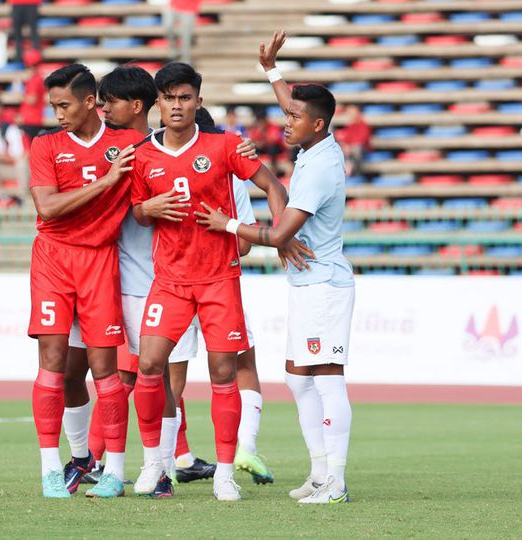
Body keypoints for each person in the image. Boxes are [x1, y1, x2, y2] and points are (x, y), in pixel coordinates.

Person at [195, 30, 354, 504]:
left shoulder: (322, 167)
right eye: (287, 114)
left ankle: (337, 482)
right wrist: (272, 69)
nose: (286, 122)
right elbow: (296, 103)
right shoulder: (315, 144)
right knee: (297, 377)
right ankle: (319, 471)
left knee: (326, 378)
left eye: (295, 118)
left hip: (324, 284)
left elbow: (281, 235)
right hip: (307, 283)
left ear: (319, 124)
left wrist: (228, 225)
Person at [128, 62, 288, 502]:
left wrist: (281, 234)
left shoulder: (226, 146)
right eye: (169, 98)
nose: (176, 106)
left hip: (219, 279)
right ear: (157, 103)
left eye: (185, 98)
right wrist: (149, 210)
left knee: (222, 372)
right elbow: (138, 211)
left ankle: (223, 474)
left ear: (198, 101)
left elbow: (274, 187)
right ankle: (153, 465)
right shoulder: (143, 154)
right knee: (148, 366)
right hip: (170, 280)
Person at [27, 63, 142, 499]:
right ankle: (50, 468)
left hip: (100, 260)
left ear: (90, 101)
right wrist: (109, 181)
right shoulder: (46, 146)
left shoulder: (128, 143)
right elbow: (49, 207)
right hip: (54, 258)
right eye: (53, 105)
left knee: (105, 370)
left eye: (64, 104)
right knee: (52, 362)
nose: (58, 113)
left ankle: (113, 470)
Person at [165, 106, 275, 487]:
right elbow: (243, 247)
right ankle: (244, 447)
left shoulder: (161, 166)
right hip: (218, 284)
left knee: (169, 375)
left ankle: (171, 458)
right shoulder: (232, 180)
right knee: (241, 367)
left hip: (172, 281)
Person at [335, 104, 370, 177]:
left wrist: (350, 147)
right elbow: (343, 138)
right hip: (347, 149)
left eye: (352, 113)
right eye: (349, 114)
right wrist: (344, 145)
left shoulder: (363, 125)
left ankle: (355, 172)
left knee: (357, 150)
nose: (351, 116)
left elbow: (362, 139)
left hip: (359, 150)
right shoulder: (348, 126)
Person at [167, 0, 200, 64]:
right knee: (168, 27)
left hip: (189, 8)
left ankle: (186, 60)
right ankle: (174, 51)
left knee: (186, 35)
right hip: (173, 6)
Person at [10, 0, 40, 65]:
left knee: (33, 32)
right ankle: (19, 60)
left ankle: (35, 59)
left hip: (31, 3)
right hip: (17, 3)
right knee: (17, 33)